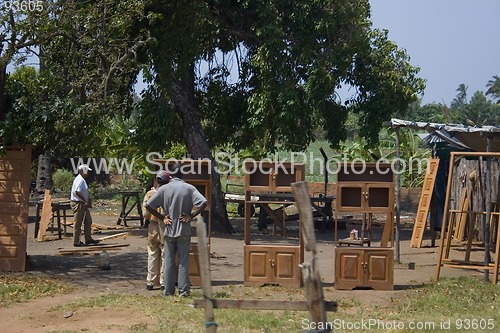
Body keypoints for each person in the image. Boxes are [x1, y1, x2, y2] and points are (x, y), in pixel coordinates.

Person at [145, 163, 207, 297]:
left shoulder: (163, 189)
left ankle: (168, 291)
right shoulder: (190, 188)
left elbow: (149, 206)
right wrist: (191, 216)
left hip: (168, 230)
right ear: (182, 174)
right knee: (183, 261)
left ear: (171, 175)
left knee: (168, 261)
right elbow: (203, 202)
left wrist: (162, 218)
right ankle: (183, 292)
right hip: (184, 230)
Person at [142, 170, 171, 291]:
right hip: (166, 226)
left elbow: (145, 213)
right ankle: (163, 282)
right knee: (165, 254)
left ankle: (150, 282)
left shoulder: (150, 194)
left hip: (153, 227)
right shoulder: (169, 193)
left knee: (152, 253)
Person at [70, 164, 99, 247]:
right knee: (78, 223)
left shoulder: (81, 179)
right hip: (79, 203)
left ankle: (88, 239)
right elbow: (77, 191)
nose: (88, 173)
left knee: (88, 221)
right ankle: (76, 241)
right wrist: (85, 200)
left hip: (82, 204)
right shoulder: (80, 180)